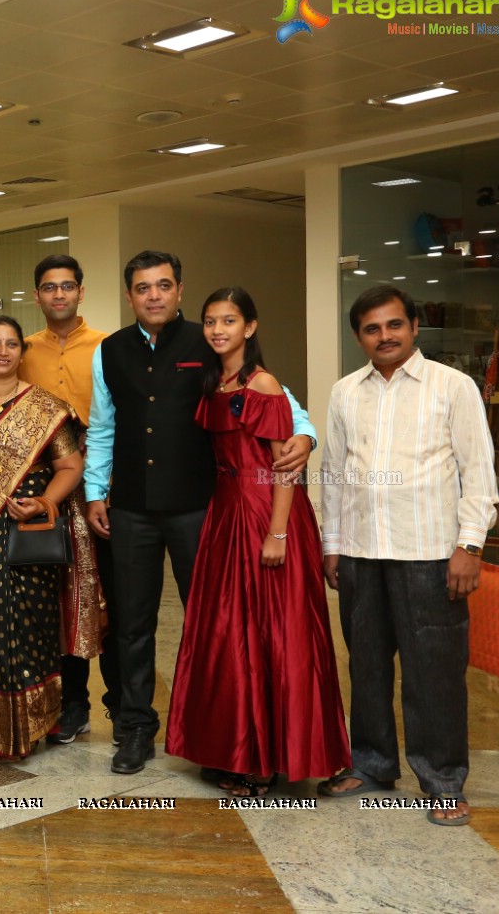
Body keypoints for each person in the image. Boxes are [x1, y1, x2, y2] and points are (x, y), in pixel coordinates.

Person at [84, 250, 317, 775]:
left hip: (201, 509)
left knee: (213, 624)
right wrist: (97, 492)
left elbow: (280, 403)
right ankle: (135, 728)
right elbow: (101, 427)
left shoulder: (208, 342)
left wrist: (305, 434)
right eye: (143, 288)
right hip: (132, 510)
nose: (154, 296)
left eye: (164, 285)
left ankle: (219, 738)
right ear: (130, 296)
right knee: (131, 623)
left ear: (179, 290)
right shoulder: (109, 352)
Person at [317, 285, 497, 825]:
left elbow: (480, 473)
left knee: (434, 673)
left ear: (414, 327)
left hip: (431, 553)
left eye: (394, 325)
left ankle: (443, 780)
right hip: (362, 554)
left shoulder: (453, 386)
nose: (385, 336)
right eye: (372, 329)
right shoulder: (346, 392)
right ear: (358, 337)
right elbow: (334, 475)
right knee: (367, 664)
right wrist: (333, 544)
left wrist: (469, 546)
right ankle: (372, 764)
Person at [164, 289, 350, 795]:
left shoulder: (262, 382)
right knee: (229, 633)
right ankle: (234, 747)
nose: (218, 329)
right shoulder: (214, 380)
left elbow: (281, 467)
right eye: (209, 321)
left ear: (250, 327)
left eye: (229, 320)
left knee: (273, 634)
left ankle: (266, 760)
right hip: (226, 512)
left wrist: (278, 532)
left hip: (266, 512)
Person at [0, 316, 99, 761]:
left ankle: (35, 722)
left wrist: (44, 503)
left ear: (21, 354)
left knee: (32, 626)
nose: (3, 351)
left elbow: (71, 468)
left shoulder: (46, 407)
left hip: (30, 535)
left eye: (12, 344)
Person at [19, 253, 113, 745]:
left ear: (80, 292)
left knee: (108, 599)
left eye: (68, 286)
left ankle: (122, 709)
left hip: (101, 491)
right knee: (57, 601)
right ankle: (69, 705)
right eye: (49, 287)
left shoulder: (107, 347)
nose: (59, 294)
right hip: (47, 494)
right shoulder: (21, 349)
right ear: (37, 295)